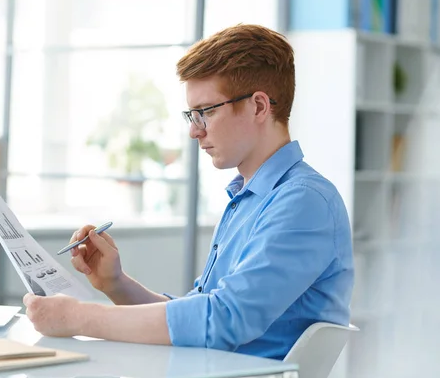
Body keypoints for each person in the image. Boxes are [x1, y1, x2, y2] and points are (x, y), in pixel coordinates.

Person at [23, 24, 354, 360]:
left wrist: (78, 317)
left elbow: (223, 321)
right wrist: (115, 283)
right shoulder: (248, 198)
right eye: (191, 115)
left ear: (258, 107)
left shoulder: (303, 201)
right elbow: (199, 315)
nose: (195, 131)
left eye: (206, 112)